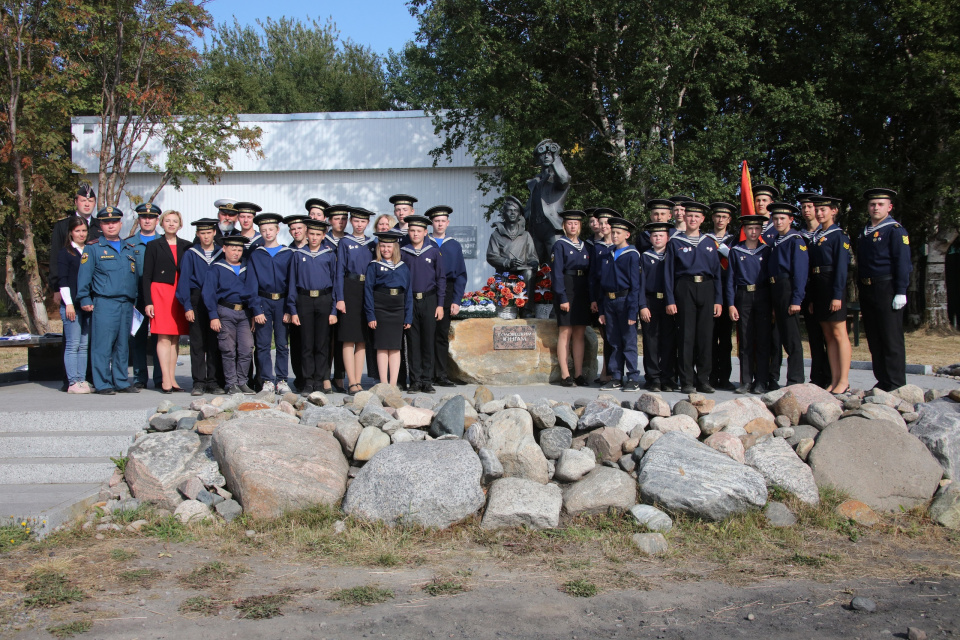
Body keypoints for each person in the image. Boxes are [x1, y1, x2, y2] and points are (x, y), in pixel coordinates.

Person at [76, 206, 140, 394]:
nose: (111, 226)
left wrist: (134, 299)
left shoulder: (129, 248)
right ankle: (103, 383)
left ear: (121, 224)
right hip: (105, 301)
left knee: (122, 345)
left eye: (114, 222)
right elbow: (84, 276)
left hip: (126, 303)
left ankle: (121, 381)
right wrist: (84, 298)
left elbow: (133, 277)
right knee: (102, 344)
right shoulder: (94, 247)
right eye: (106, 223)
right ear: (101, 225)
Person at [664, 201, 722, 394]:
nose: (693, 219)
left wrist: (718, 300)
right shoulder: (675, 242)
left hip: (706, 288)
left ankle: (703, 379)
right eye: (690, 216)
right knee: (686, 337)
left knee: (705, 337)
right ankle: (687, 380)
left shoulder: (709, 242)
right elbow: (668, 273)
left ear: (703, 219)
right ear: (684, 217)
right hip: (685, 287)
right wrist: (670, 299)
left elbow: (717, 274)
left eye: (697, 216)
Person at [856, 187, 911, 391]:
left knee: (890, 337)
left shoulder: (895, 230)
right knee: (874, 337)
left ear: (890, 207)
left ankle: (896, 383)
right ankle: (883, 380)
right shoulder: (864, 232)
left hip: (886, 286)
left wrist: (901, 291)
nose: (875, 207)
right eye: (872, 204)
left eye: (880, 204)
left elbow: (902, 263)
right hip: (868, 288)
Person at [287, 219, 339, 394]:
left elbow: (335, 283)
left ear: (324, 235)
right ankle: (308, 380)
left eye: (318, 234)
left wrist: (333, 310)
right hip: (304, 300)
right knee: (307, 343)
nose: (314, 237)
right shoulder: (298, 254)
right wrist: (292, 309)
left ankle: (319, 380)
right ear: (307, 234)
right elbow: (292, 284)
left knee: (322, 343)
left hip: (324, 300)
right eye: (312, 234)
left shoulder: (329, 254)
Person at [142, 210, 192, 393]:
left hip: (179, 292)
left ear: (180, 225)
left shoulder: (187, 246)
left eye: (175, 221)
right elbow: (146, 275)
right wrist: (148, 301)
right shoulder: (154, 245)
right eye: (168, 221)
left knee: (175, 338)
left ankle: (173, 378)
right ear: (161, 223)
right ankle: (164, 379)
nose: (171, 224)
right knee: (163, 336)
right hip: (161, 292)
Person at [246, 211, 294, 395]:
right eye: (263, 230)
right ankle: (266, 379)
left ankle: (281, 379)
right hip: (263, 301)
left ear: (277, 230)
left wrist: (290, 308)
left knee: (282, 343)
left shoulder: (287, 253)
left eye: (270, 229)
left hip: (282, 301)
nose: (267, 233)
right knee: (263, 343)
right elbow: (251, 283)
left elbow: (291, 283)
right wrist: (256, 309)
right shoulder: (256, 255)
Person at [809, 195, 852, 395]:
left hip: (832, 286)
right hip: (818, 287)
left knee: (839, 333)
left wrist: (837, 295)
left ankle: (843, 380)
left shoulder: (838, 235)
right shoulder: (817, 235)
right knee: (828, 335)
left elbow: (842, 268)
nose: (819, 213)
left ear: (834, 211)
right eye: (817, 210)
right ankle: (834, 380)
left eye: (823, 209)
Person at [176, 218, 225, 396]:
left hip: (216, 300)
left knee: (214, 343)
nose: (206, 236)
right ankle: (198, 381)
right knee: (197, 343)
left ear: (214, 233)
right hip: (196, 299)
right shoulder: (191, 254)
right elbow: (183, 282)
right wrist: (187, 306)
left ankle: (213, 381)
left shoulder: (221, 252)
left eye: (208, 233)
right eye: (202, 233)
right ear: (198, 234)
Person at [202, 235, 255, 395]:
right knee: (228, 350)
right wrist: (213, 316)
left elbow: (253, 291)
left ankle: (242, 381)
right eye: (233, 249)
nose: (236, 253)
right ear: (224, 249)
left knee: (246, 348)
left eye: (239, 250)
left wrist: (253, 312)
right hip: (225, 311)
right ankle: (231, 383)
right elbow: (208, 293)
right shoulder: (217, 268)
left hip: (244, 312)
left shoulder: (247, 267)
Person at [725, 215, 772, 394]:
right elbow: (730, 280)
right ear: (744, 231)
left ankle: (761, 381)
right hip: (743, 296)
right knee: (744, 339)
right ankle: (745, 381)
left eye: (757, 229)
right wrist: (731, 304)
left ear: (761, 231)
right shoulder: (736, 251)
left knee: (762, 340)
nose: (753, 232)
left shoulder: (766, 251)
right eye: (749, 229)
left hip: (763, 295)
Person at [400, 214, 445, 394]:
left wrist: (440, 304)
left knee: (428, 341)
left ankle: (427, 380)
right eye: (412, 230)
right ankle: (416, 380)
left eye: (419, 231)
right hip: (410, 300)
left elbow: (441, 278)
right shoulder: (403, 252)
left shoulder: (433, 251)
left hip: (429, 300)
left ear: (425, 232)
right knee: (413, 342)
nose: (415, 234)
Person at [596, 217, 641, 391]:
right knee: (613, 341)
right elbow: (602, 284)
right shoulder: (607, 255)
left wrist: (632, 311)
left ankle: (633, 377)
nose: (614, 235)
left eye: (618, 233)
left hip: (625, 300)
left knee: (628, 341)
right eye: (613, 232)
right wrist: (601, 309)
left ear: (627, 235)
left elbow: (635, 286)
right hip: (609, 301)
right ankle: (616, 376)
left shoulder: (632, 254)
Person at [335, 207, 376, 395]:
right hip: (349, 288)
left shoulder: (372, 243)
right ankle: (350, 381)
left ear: (367, 223)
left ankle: (359, 381)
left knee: (361, 340)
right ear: (351, 222)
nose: (359, 225)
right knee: (348, 338)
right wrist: (340, 298)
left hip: (366, 289)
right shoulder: (344, 242)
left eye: (363, 222)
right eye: (356, 221)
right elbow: (339, 272)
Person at [364, 230, 413, 387]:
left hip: (397, 308)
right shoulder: (374, 266)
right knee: (382, 347)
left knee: (395, 347)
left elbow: (408, 293)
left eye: (389, 246)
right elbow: (368, 291)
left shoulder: (403, 267)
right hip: (380, 307)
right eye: (383, 246)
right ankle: (384, 383)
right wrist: (371, 315)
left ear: (395, 248)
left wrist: (408, 316)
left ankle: (393, 384)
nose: (386, 249)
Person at [768, 202, 809, 386]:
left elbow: (800, 272)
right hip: (774, 288)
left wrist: (796, 299)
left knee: (791, 339)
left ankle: (795, 379)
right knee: (776, 337)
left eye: (782, 218)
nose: (778, 222)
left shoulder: (795, 240)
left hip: (787, 288)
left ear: (791, 220)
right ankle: (773, 377)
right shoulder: (775, 241)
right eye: (775, 218)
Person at [550, 210, 592, 386]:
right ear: (564, 226)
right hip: (567, 289)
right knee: (565, 332)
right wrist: (562, 297)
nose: (572, 226)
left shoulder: (586, 245)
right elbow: (556, 273)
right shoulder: (560, 245)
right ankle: (566, 374)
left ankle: (579, 374)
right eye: (569, 223)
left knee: (579, 333)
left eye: (576, 224)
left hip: (582, 290)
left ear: (580, 226)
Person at [427, 206, 467, 387]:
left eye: (443, 221)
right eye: (436, 221)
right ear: (432, 223)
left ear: (448, 223)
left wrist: (456, 300)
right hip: (428, 289)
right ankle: (426, 374)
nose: (440, 224)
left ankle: (441, 374)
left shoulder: (454, 245)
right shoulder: (425, 242)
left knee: (441, 334)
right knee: (427, 334)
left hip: (448, 290)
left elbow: (460, 275)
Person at [127, 203, 161, 390]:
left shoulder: (163, 242)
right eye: (143, 217)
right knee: (137, 338)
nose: (147, 220)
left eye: (151, 217)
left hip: (158, 298)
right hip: (137, 297)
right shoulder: (129, 244)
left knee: (159, 338)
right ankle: (139, 376)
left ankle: (160, 376)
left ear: (157, 220)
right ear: (139, 220)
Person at [639, 221, 676, 392]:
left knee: (668, 341)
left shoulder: (672, 256)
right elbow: (640, 284)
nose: (658, 238)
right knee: (651, 341)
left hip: (669, 303)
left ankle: (668, 377)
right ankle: (653, 377)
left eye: (661, 235)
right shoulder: (645, 256)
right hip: (650, 301)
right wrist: (643, 305)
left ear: (667, 238)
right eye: (654, 235)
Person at [56, 217, 92, 393]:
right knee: (73, 344)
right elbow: (62, 281)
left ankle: (81, 379)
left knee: (84, 345)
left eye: (84, 231)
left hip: (86, 305)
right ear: (71, 232)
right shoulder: (65, 253)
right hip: (72, 305)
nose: (81, 234)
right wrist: (68, 304)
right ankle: (72, 382)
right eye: (77, 231)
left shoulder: (89, 251)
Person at [797, 192, 830, 388]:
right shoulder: (800, 235)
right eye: (804, 207)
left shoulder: (827, 234)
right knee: (814, 335)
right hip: (808, 289)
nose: (807, 211)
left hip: (824, 288)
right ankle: (817, 376)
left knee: (830, 334)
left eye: (810, 207)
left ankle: (831, 374)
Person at [706, 202, 737, 391]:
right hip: (709, 291)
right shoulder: (705, 240)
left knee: (725, 338)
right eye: (717, 216)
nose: (720, 220)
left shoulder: (735, 240)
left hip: (728, 291)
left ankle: (724, 376)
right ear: (712, 218)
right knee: (709, 337)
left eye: (724, 217)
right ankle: (710, 375)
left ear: (729, 220)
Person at [525, 139, 571, 264]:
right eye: (542, 153)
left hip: (552, 229)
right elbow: (527, 210)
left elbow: (563, 178)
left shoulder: (556, 179)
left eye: (549, 153)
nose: (546, 156)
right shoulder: (534, 182)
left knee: (556, 264)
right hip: (535, 230)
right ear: (537, 158)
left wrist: (556, 157)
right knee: (533, 266)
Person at [50, 185, 101, 297]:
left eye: (90, 201)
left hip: (96, 287)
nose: (87, 204)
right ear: (76, 202)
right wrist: (56, 287)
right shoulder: (62, 226)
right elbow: (55, 257)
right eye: (83, 201)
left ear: (94, 203)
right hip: (70, 285)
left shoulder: (100, 226)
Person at [324, 204, 351, 393]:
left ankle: (340, 376)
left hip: (344, 293)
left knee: (343, 337)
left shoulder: (351, 241)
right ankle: (325, 375)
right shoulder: (322, 240)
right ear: (329, 221)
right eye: (336, 219)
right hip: (326, 292)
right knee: (326, 338)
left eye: (343, 219)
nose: (340, 222)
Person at [588, 207, 616, 384]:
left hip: (618, 296)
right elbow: (592, 276)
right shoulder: (596, 247)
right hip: (601, 297)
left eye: (607, 223)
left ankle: (614, 372)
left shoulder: (619, 245)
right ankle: (606, 371)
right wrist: (593, 299)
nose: (604, 226)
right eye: (601, 223)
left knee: (615, 336)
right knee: (605, 335)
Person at [486, 196, 539, 288]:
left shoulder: (525, 235)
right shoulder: (496, 235)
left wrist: (534, 263)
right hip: (504, 275)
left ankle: (528, 302)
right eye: (509, 210)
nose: (513, 213)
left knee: (529, 274)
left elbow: (532, 256)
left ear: (519, 215)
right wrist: (508, 262)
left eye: (515, 210)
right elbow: (491, 256)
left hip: (523, 274)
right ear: (504, 214)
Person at [284, 214, 310, 390]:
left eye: (299, 228)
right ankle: (300, 377)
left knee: (311, 341)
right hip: (293, 301)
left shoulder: (314, 250)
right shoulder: (287, 252)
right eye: (293, 229)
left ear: (305, 229)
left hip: (311, 300)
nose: (296, 231)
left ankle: (312, 377)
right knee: (296, 342)